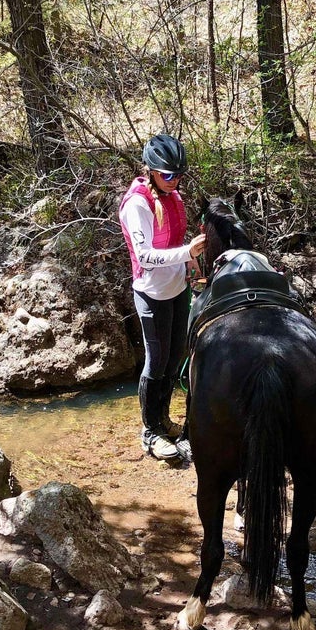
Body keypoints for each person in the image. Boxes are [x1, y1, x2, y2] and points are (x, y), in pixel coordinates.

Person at [119, 134, 205, 460]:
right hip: (151, 293)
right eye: (168, 175)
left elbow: (177, 242)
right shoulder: (137, 204)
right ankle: (149, 432)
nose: (175, 180)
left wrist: (191, 263)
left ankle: (163, 419)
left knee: (174, 359)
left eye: (179, 175)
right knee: (155, 363)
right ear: (152, 171)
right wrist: (187, 251)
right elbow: (144, 257)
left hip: (178, 289)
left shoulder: (173, 196)